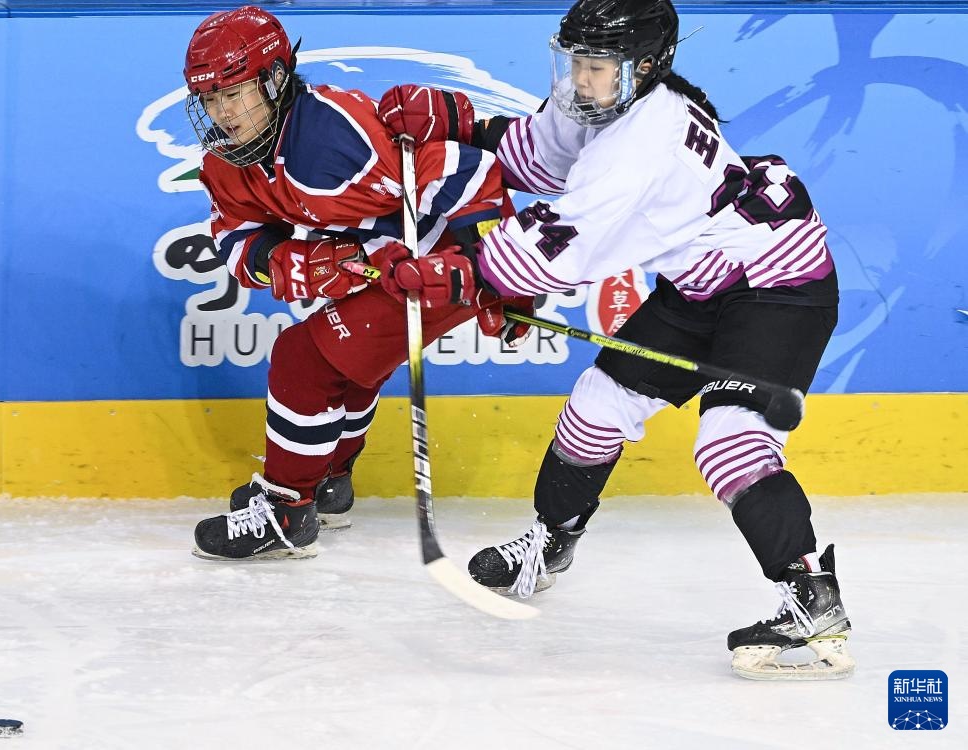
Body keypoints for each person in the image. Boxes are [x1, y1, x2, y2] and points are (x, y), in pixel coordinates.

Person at [375, 0, 854, 680]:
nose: (580, 78)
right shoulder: (608, 98)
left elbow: (559, 242)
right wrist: (464, 125)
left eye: (596, 66)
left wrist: (464, 272)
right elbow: (541, 157)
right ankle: (553, 542)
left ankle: (812, 599)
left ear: (647, 66)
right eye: (576, 61)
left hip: (777, 283)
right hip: (701, 284)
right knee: (594, 410)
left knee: (730, 443)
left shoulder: (645, 140)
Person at [181, 6, 527, 560]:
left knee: (303, 358)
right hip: (378, 266)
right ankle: (328, 482)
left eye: (235, 93)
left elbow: (465, 171)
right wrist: (283, 260)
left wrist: (493, 270)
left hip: (435, 266)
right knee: (346, 364)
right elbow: (236, 235)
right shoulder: (229, 162)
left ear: (275, 79)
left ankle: (288, 510)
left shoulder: (333, 140)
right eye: (210, 98)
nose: (222, 113)